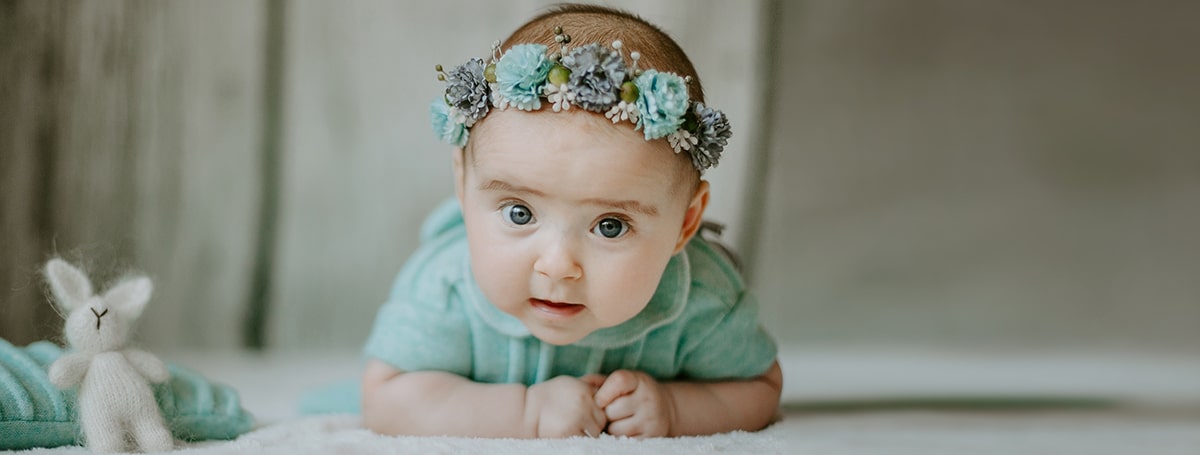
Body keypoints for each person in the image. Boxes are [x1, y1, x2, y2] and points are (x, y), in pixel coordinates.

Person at [361, 4, 781, 438]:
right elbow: (385, 397)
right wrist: (526, 413)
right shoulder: (447, 288)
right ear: (464, 187)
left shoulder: (701, 298)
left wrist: (675, 409)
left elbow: (761, 386)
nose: (558, 266)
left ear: (686, 224)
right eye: (520, 213)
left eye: (611, 225)